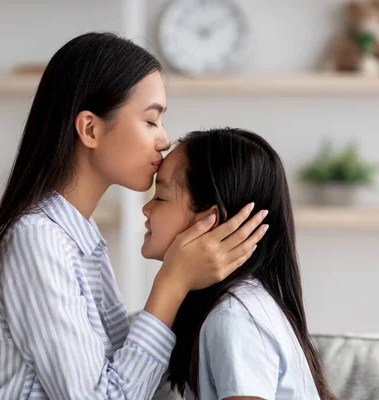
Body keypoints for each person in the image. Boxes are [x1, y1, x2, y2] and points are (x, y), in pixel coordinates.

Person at [0, 33, 268, 400]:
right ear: (90, 129)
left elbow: (125, 380)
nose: (164, 140)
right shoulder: (36, 239)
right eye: (151, 121)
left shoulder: (78, 235)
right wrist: (171, 283)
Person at [141, 128, 337, 400]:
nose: (146, 208)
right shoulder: (235, 306)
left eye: (160, 197)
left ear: (210, 220)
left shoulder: (234, 317)